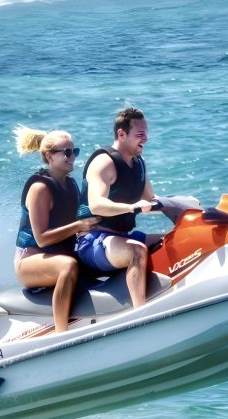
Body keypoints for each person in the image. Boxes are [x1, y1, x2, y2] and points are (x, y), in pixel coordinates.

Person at [13, 125, 100, 333]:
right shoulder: (40, 188)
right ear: (49, 156)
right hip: (30, 261)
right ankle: (62, 333)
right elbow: (41, 239)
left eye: (74, 151)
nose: (72, 157)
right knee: (67, 266)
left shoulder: (70, 185)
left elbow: (80, 224)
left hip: (59, 254)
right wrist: (79, 226)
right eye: (67, 152)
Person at [75, 107, 156, 309]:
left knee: (172, 238)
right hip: (92, 242)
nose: (145, 139)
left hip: (120, 238)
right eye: (139, 134)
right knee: (137, 250)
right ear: (121, 134)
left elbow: (151, 199)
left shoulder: (139, 163)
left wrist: (183, 205)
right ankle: (142, 314)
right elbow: (97, 204)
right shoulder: (104, 162)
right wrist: (131, 208)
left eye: (146, 133)